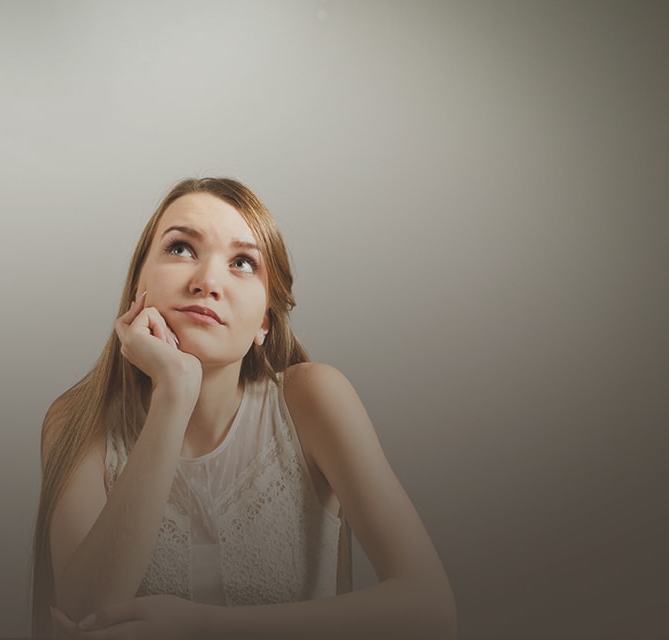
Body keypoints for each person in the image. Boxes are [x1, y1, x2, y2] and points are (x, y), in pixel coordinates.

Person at [31, 177, 456, 639]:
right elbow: (87, 611)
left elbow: (430, 610)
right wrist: (174, 391)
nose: (207, 282)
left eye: (242, 262)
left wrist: (203, 628)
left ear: (265, 322)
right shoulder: (76, 419)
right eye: (181, 249)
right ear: (139, 283)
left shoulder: (313, 400)